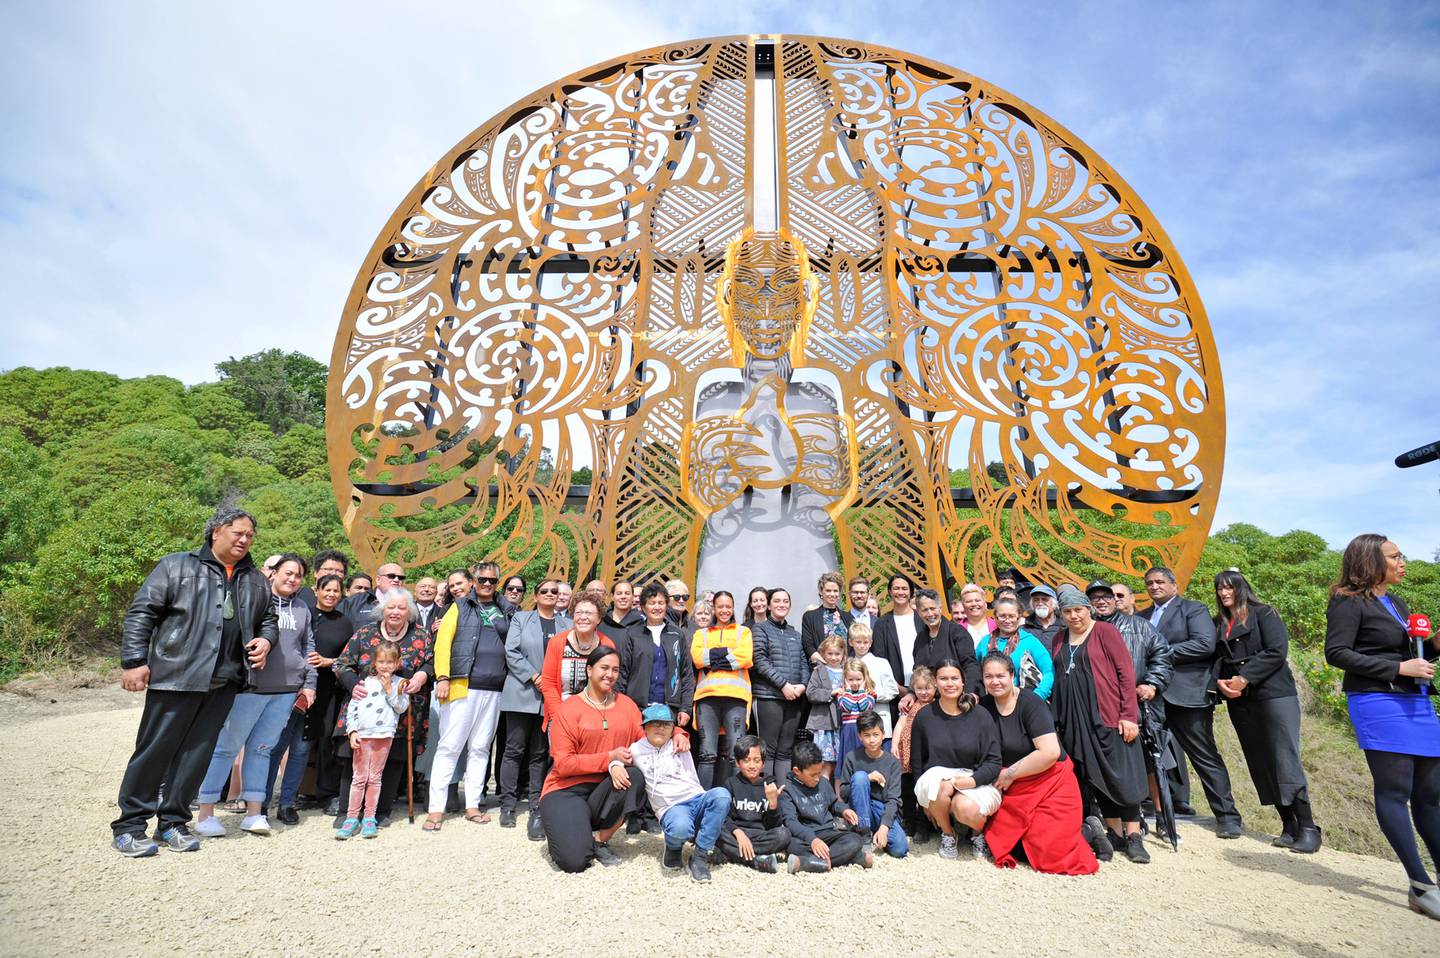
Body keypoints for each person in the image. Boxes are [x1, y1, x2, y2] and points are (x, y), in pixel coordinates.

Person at [111, 506, 278, 857]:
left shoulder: (255, 578)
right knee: (155, 751)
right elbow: (143, 612)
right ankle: (129, 826)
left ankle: (172, 823)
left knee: (196, 757)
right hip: (176, 677)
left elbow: (268, 619)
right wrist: (134, 661)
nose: (245, 540)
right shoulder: (177, 566)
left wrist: (266, 640)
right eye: (239, 532)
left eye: (250, 535)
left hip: (224, 682)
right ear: (216, 531)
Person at [1324, 534, 1440, 918]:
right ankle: (1420, 886)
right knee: (1395, 792)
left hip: (1416, 702)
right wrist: (1397, 668)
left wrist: (1435, 645)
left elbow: (1409, 652)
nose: (1402, 561)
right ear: (1370, 561)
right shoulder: (1347, 600)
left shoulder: (1398, 601)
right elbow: (1336, 653)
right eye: (1395, 556)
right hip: (1378, 701)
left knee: (1431, 795)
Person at [192, 552, 312, 836]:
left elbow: (309, 649)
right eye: (288, 573)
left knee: (262, 749)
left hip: (285, 690)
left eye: (298, 575)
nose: (293, 579)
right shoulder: (255, 601)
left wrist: (309, 684)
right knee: (227, 747)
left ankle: (254, 813)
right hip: (251, 686)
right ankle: (206, 812)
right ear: (273, 573)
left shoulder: (303, 609)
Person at [1214, 570, 1320, 853]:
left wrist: (1245, 677)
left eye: (1229, 587)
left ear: (1241, 588)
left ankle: (1308, 826)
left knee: (1284, 758)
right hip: (1240, 700)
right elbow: (1217, 658)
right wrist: (1220, 682)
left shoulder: (1264, 613)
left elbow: (1276, 650)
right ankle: (1288, 824)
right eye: (1220, 589)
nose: (1224, 593)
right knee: (1259, 761)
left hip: (1274, 694)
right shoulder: (1219, 622)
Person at [1049, 585, 1149, 864]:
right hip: (1075, 721)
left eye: (1078, 610)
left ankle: (1133, 835)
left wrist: (1129, 715)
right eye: (1067, 612)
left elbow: (1126, 674)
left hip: (1108, 717)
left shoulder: (1105, 632)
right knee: (1098, 778)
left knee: (1122, 777)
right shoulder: (1059, 638)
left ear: (1088, 609)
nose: (1073, 616)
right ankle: (1114, 833)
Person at [979, 652, 1098, 874]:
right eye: (988, 676)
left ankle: (1088, 830)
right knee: (1009, 847)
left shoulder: (1030, 702)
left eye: (1000, 675)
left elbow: (1050, 752)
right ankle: (1080, 832)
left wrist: (1010, 774)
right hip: (1013, 787)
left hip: (1049, 779)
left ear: (1012, 675)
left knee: (1049, 855)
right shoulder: (984, 706)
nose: (995, 681)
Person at [1146, 564, 1241, 836]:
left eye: (1160, 581)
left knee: (1204, 755)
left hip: (1187, 695)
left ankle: (1227, 816)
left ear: (1174, 585)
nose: (1154, 586)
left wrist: (1159, 652)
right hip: (1153, 697)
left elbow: (1203, 644)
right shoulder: (1143, 616)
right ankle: (1161, 814)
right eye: (1150, 583)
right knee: (1151, 758)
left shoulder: (1192, 609)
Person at [539, 646, 647, 872]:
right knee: (574, 862)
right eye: (604, 668)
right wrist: (610, 759)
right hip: (566, 790)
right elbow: (564, 764)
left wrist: (676, 733)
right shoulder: (568, 709)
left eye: (615, 670)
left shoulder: (627, 705)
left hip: (604, 789)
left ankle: (600, 838)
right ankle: (569, 833)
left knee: (635, 776)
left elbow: (647, 740)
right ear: (589, 670)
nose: (610, 674)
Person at [332, 588, 433, 828]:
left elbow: (431, 662)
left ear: (409, 612)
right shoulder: (365, 633)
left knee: (394, 758)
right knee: (354, 758)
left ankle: (381, 810)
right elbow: (341, 664)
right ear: (382, 609)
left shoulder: (422, 635)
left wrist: (421, 676)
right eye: (391, 607)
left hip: (402, 709)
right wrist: (352, 684)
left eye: (401, 608)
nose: (396, 612)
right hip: (364, 704)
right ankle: (347, 810)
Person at [1088, 579, 1176, 837]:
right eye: (1096, 597)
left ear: (1117, 600)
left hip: (1137, 706)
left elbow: (1163, 656)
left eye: (1108, 596)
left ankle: (1160, 816)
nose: (1102, 601)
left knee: (1148, 763)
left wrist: (1152, 683)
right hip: (1100, 708)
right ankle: (1117, 819)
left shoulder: (1139, 626)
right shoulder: (1086, 628)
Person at [426, 561, 509, 829]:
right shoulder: (459, 607)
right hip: (463, 685)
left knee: (481, 748)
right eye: (482, 580)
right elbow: (443, 644)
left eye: (492, 581)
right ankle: (436, 808)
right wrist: (442, 677)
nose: (487, 584)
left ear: (498, 582)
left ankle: (472, 804)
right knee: (450, 746)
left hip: (495, 688)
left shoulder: (506, 610)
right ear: (474, 581)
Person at [264, 570, 353, 821]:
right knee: (277, 746)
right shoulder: (302, 612)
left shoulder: (344, 623)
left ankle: (288, 802)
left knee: (303, 749)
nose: (331, 594)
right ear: (317, 589)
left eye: (336, 590)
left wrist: (329, 661)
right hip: (291, 687)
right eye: (327, 589)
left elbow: (350, 658)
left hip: (323, 692)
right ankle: (262, 799)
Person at [498, 577, 570, 838]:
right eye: (545, 591)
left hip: (551, 698)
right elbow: (512, 651)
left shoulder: (568, 624)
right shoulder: (521, 619)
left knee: (540, 753)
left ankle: (536, 804)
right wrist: (535, 676)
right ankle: (508, 804)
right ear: (536, 595)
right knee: (514, 749)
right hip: (522, 691)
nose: (551, 594)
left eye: (555, 591)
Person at [910, 659, 1003, 860]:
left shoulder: (980, 715)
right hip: (938, 781)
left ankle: (977, 834)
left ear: (963, 683)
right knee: (937, 786)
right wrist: (922, 799)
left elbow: (994, 762)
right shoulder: (924, 717)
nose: (949, 683)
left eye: (954, 678)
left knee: (965, 808)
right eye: (943, 679)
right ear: (936, 682)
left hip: (974, 778)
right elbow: (917, 762)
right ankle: (948, 834)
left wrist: (963, 783)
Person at [629, 703, 724, 882]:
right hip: (671, 807)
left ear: (673, 728)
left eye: (666, 724)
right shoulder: (636, 750)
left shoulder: (678, 743)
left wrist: (681, 734)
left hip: (695, 797)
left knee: (722, 795)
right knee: (680, 827)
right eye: (655, 723)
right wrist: (614, 765)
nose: (660, 728)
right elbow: (618, 759)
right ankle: (673, 847)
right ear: (645, 727)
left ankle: (700, 857)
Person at [336, 641, 410, 839]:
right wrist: (352, 731)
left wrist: (389, 689)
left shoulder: (399, 684)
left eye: (389, 662)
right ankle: (351, 817)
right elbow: (352, 708)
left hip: (384, 735)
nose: (385, 666)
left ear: (397, 663)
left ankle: (370, 817)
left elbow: (401, 707)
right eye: (381, 661)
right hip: (363, 734)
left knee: (375, 778)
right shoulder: (365, 682)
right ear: (374, 663)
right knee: (359, 778)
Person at [691, 590, 753, 790]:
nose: (724, 610)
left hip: (736, 698)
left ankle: (738, 805)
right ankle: (703, 803)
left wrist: (714, 660)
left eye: (728, 606)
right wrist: (729, 655)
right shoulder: (700, 634)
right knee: (707, 753)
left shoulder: (743, 632)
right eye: (720, 607)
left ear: (733, 608)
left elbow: (745, 658)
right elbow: (698, 659)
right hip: (707, 698)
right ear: (714, 609)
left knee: (737, 753)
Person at [780, 740, 871, 872]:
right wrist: (812, 840)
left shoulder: (822, 782)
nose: (817, 778)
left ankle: (812, 862)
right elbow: (790, 822)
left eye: (819, 773)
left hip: (829, 834)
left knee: (855, 840)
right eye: (813, 775)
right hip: (806, 837)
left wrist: (844, 810)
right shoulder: (787, 790)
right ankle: (849, 857)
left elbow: (833, 804)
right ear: (797, 771)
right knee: (790, 844)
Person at [751, 588, 809, 780]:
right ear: (769, 605)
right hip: (769, 696)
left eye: (785, 601)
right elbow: (759, 660)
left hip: (794, 698)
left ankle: (783, 798)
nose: (781, 605)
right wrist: (783, 685)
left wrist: (803, 685)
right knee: (769, 750)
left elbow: (803, 661)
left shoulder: (794, 633)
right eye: (777, 601)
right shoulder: (759, 629)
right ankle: (767, 798)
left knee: (785, 751)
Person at [537, 592, 615, 728]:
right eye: (578, 613)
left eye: (589, 613)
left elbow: (608, 682)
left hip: (594, 718)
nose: (583, 617)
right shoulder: (557, 642)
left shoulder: (606, 644)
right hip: (560, 716)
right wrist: (558, 716)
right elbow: (548, 682)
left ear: (599, 619)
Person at [840, 710, 908, 858]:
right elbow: (844, 793)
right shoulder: (852, 757)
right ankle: (864, 834)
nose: (872, 740)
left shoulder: (892, 763)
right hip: (859, 810)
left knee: (899, 849)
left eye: (876, 735)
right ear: (860, 737)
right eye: (867, 735)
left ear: (883, 735)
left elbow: (894, 799)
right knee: (859, 777)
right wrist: (867, 778)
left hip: (881, 810)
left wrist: (884, 827)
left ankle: (877, 831)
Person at [716, 736, 790, 872]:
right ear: (738, 763)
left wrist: (773, 803)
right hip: (736, 833)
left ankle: (733, 854)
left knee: (784, 834)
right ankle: (756, 860)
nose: (752, 766)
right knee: (715, 830)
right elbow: (724, 818)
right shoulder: (730, 783)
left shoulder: (769, 785)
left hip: (760, 835)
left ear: (763, 764)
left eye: (756, 761)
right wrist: (738, 833)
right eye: (746, 760)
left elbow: (773, 826)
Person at [976, 595, 1054, 700]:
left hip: (1023, 702)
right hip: (990, 701)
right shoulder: (985, 642)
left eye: (1011, 616)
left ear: (1019, 617)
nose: (1007, 620)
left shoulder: (1029, 641)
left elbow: (1049, 671)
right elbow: (973, 670)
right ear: (995, 617)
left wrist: (1038, 696)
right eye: (1002, 616)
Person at [893, 665, 936, 842]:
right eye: (919, 688)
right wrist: (895, 744)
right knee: (908, 790)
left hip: (926, 755)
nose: (924, 692)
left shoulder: (936, 706)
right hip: (907, 754)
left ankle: (923, 825)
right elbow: (901, 724)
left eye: (928, 688)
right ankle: (908, 822)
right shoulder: (911, 704)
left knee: (925, 791)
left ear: (935, 687)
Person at [911, 588, 980, 695]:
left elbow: (970, 665)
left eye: (933, 608)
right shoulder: (920, 638)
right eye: (925, 610)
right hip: (928, 698)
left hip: (957, 695)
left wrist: (969, 693)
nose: (930, 613)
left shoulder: (957, 632)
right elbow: (917, 671)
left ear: (940, 609)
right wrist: (911, 693)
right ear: (919, 613)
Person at [805, 636, 848, 781]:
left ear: (843, 654)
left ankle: (839, 800)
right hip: (824, 723)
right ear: (823, 654)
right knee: (825, 765)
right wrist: (830, 693)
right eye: (829, 654)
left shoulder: (847, 671)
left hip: (842, 723)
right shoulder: (819, 671)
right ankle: (824, 797)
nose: (833, 657)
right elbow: (810, 693)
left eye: (837, 654)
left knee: (840, 766)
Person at [847, 623, 898, 739]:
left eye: (865, 642)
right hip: (854, 720)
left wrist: (871, 695)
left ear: (871, 643)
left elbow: (892, 690)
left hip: (878, 716)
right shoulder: (847, 664)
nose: (862, 646)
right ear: (851, 642)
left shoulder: (881, 663)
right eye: (858, 642)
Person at [872, 573, 922, 688]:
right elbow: (879, 659)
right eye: (896, 588)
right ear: (890, 592)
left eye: (904, 589)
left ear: (911, 592)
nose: (900, 592)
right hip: (895, 689)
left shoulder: (922, 620)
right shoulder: (882, 624)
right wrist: (897, 688)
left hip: (924, 689)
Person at [801, 571, 852, 666]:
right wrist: (823, 664)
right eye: (828, 590)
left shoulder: (848, 617)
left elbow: (852, 645)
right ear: (821, 592)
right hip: (821, 668)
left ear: (839, 592)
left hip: (845, 669)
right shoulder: (810, 616)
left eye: (835, 591)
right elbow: (807, 644)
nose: (832, 594)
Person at [835, 657, 877, 763]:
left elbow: (864, 707)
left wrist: (862, 691)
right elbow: (847, 707)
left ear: (864, 678)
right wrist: (848, 690)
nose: (854, 683)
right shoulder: (841, 693)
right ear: (845, 679)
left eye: (858, 679)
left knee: (863, 761)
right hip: (848, 731)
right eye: (850, 680)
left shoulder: (870, 693)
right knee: (848, 760)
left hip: (864, 730)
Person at [341, 563, 406, 622]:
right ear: (378, 579)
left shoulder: (409, 605)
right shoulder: (353, 602)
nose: (397, 580)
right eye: (391, 576)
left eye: (401, 577)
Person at [297, 549, 348, 614]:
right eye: (329, 569)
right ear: (315, 573)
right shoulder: (298, 596)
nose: (333, 573)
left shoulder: (348, 603)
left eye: (339, 571)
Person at [599, 579, 643, 645]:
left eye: (627, 593)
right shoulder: (602, 621)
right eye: (619, 593)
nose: (623, 597)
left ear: (632, 596)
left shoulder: (640, 623)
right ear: (612, 597)